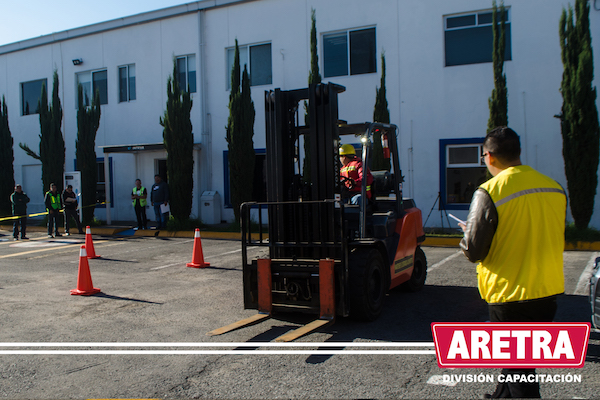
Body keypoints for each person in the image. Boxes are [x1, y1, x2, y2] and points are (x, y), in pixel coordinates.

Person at [459, 127, 567, 399]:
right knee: (520, 361)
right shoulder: (553, 187)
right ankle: (500, 396)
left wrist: (467, 233)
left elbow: (473, 250)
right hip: (546, 291)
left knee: (522, 373)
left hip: (510, 294)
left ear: (490, 156)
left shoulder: (490, 191)